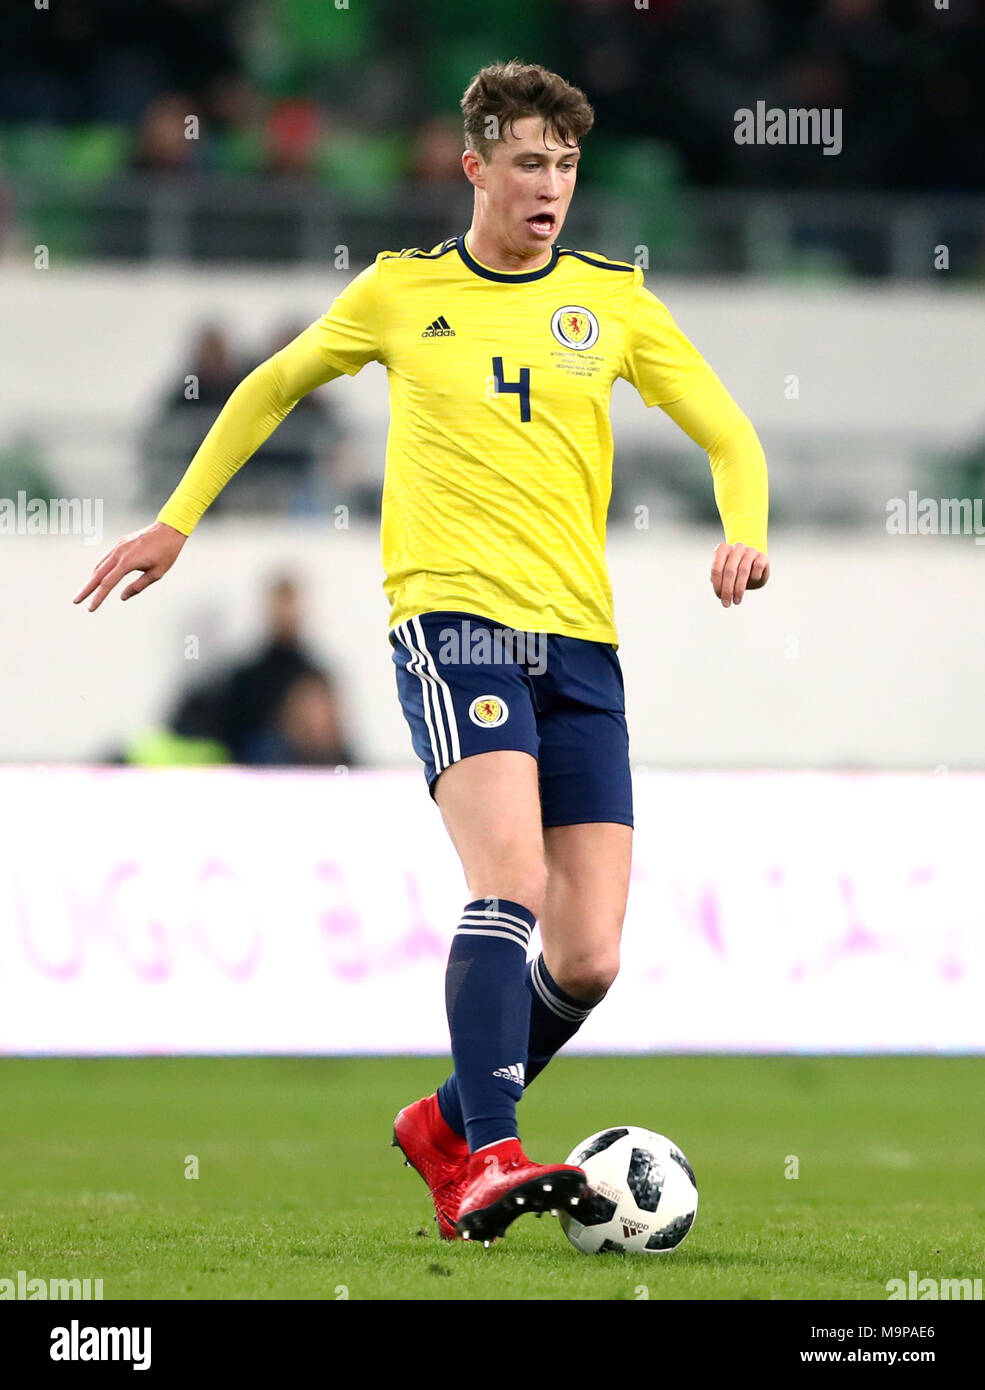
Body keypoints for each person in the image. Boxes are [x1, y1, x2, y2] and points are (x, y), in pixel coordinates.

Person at [74, 60, 769, 1247]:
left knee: (590, 955)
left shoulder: (614, 301)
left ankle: (445, 1123)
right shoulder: (402, 292)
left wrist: (743, 531)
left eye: (564, 165)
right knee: (509, 885)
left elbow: (726, 430)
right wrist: (179, 518)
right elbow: (273, 385)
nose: (549, 186)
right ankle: (490, 1154)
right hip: (453, 627)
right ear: (475, 168)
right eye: (527, 164)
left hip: (581, 645)